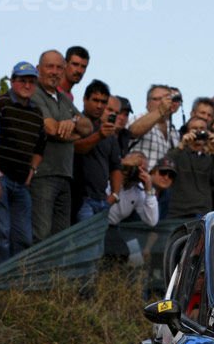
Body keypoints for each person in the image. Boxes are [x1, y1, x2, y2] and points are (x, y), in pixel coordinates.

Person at [0, 61, 46, 266]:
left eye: (31, 81)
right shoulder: (0, 103)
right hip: (1, 177)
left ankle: (16, 283)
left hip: (21, 182)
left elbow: (40, 147)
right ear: (12, 81)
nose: (27, 85)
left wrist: (32, 169)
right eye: (22, 81)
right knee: (1, 235)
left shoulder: (37, 113)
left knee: (23, 237)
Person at [30, 50, 92, 242]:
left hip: (65, 175)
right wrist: (72, 131)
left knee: (60, 237)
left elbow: (88, 127)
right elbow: (51, 128)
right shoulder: (35, 93)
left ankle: (56, 274)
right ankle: (36, 272)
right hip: (43, 174)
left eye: (59, 67)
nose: (55, 72)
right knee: (41, 234)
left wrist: (72, 121)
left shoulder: (63, 97)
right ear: (39, 68)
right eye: (49, 66)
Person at [72, 81, 121, 221]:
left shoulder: (109, 132)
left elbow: (116, 166)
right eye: (95, 100)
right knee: (84, 241)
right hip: (80, 198)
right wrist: (99, 135)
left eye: (103, 102)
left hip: (102, 200)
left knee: (98, 243)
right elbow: (76, 148)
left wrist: (114, 195)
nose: (99, 105)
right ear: (85, 99)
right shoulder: (76, 123)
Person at [166, 116, 214, 219]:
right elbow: (166, 164)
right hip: (178, 214)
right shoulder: (178, 153)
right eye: (195, 129)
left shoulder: (209, 157)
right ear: (187, 132)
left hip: (203, 213)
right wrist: (181, 145)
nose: (199, 132)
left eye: (202, 129)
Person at [127, 85, 179, 166]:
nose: (163, 102)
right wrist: (160, 111)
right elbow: (132, 131)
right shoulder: (138, 118)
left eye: (167, 99)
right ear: (147, 104)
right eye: (157, 99)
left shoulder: (174, 132)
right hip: (138, 177)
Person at [108, 152, 157, 227]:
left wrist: (149, 191)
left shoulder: (138, 191)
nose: (138, 171)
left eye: (143, 170)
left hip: (110, 227)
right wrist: (122, 164)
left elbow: (151, 221)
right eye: (136, 166)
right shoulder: (109, 174)